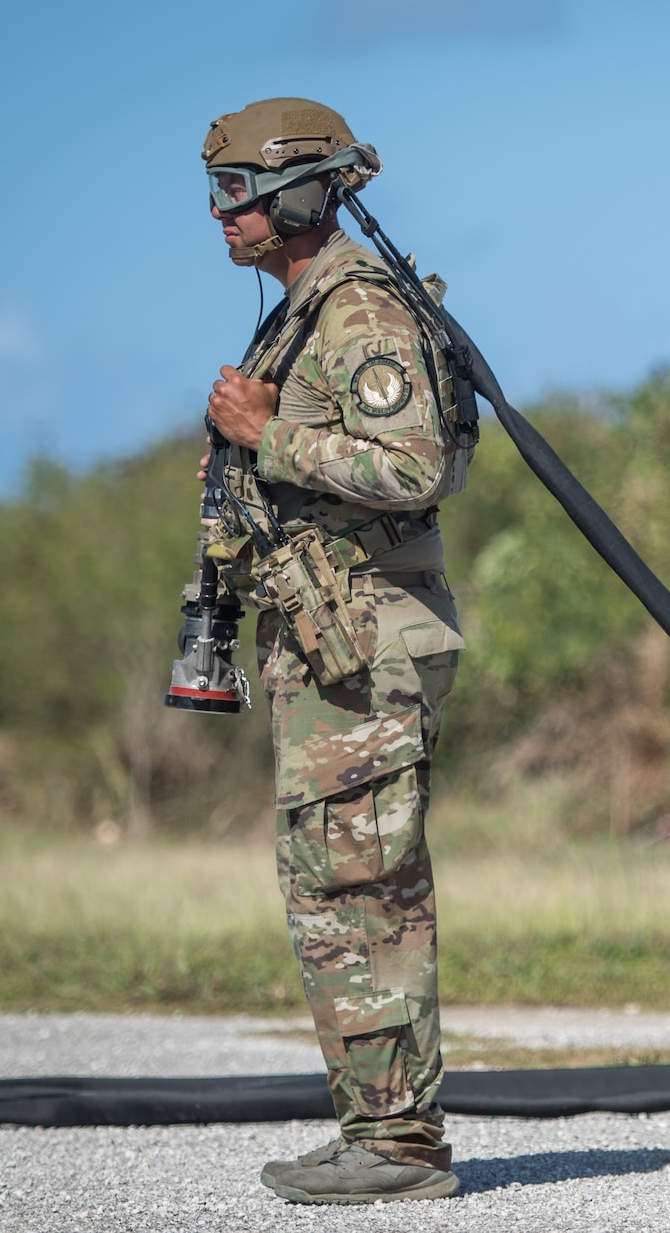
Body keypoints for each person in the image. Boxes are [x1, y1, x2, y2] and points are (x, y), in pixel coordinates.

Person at [196, 97, 471, 1204]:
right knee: (333, 882)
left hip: (365, 645)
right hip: (328, 642)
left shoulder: (356, 310)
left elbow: (412, 470)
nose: (222, 214)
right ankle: (377, 1124)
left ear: (298, 193)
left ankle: (400, 1144)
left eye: (238, 192)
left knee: (364, 884)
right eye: (214, 192)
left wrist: (269, 435)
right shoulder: (306, 309)